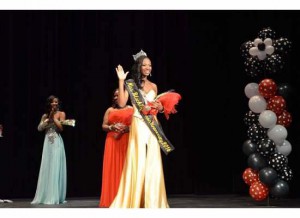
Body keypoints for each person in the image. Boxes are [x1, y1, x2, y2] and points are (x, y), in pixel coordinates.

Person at [110, 50, 180, 208]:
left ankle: (153, 200)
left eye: (150, 65)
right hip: (138, 123)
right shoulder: (131, 83)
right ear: (139, 67)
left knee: (153, 159)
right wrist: (121, 81)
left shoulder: (154, 85)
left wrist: (160, 107)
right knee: (139, 158)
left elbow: (157, 106)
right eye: (145, 65)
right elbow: (121, 104)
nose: (148, 67)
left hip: (152, 123)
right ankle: (134, 199)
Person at [99, 88, 134, 208]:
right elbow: (103, 126)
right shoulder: (110, 110)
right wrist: (111, 127)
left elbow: (138, 126)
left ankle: (128, 198)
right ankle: (112, 197)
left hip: (127, 140)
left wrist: (128, 129)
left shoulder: (132, 109)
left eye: (118, 95)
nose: (116, 97)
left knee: (126, 167)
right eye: (114, 95)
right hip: (112, 141)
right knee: (112, 167)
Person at [31, 95, 67, 205]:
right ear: (49, 104)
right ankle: (45, 194)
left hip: (56, 141)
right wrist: (48, 118)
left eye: (56, 102)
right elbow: (39, 128)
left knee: (55, 166)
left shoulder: (61, 114)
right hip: (47, 142)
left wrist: (54, 118)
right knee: (47, 166)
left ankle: (55, 195)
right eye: (53, 102)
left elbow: (61, 128)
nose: (55, 104)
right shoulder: (44, 115)